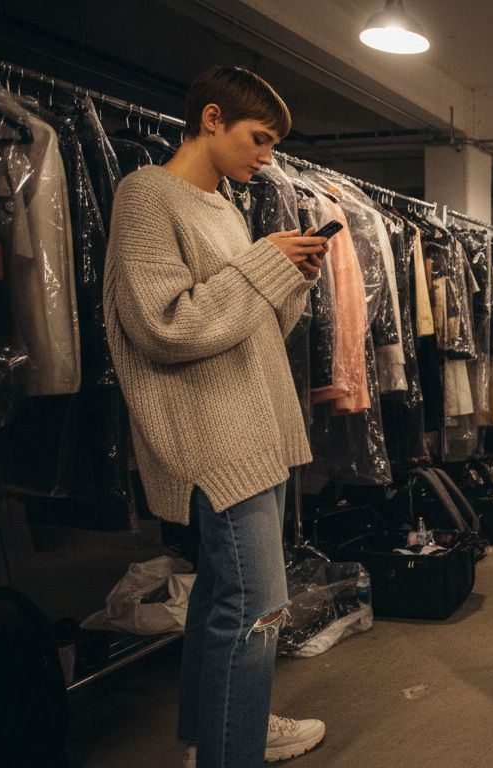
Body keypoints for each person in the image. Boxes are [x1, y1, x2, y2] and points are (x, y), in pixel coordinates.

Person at [102, 66, 327, 767]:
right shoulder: (145, 196)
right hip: (213, 438)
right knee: (257, 607)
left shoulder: (226, 205)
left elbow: (246, 325)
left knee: (224, 599)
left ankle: (221, 734)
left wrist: (290, 276)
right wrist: (264, 268)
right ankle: (235, 748)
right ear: (210, 119)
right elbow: (165, 327)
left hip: (253, 426)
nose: (267, 158)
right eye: (259, 140)